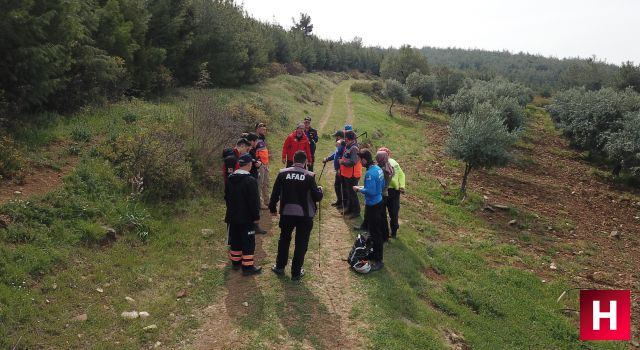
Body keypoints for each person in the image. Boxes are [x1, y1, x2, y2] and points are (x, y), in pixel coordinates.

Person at [269, 150, 323, 281]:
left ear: (293, 159)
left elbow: (275, 192)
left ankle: (280, 267)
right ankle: (296, 272)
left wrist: (272, 208)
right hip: (305, 215)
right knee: (301, 242)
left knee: (284, 239)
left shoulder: (282, 173)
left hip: (287, 213)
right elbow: (317, 197)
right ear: (305, 162)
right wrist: (320, 191)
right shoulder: (310, 176)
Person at [225, 153, 262, 275]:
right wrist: (256, 217)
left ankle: (235, 262)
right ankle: (247, 267)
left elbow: (226, 197)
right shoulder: (250, 180)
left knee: (235, 238)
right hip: (246, 217)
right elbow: (254, 201)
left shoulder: (230, 178)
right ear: (249, 164)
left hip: (232, 216)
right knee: (248, 241)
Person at [353, 149, 385, 271]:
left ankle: (379, 260)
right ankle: (373, 254)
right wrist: (363, 187)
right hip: (379, 202)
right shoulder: (378, 169)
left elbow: (370, 191)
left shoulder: (370, 173)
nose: (360, 163)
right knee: (373, 231)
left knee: (376, 233)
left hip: (373, 206)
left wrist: (358, 189)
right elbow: (379, 187)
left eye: (360, 160)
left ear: (364, 160)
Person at [378, 147, 405, 238]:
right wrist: (401, 186)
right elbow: (401, 174)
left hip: (385, 191)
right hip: (395, 191)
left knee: (382, 212)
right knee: (394, 212)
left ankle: (384, 232)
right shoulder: (395, 162)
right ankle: (394, 232)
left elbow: (389, 179)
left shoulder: (383, 164)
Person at [339, 130, 362, 219]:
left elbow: (353, 162)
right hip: (348, 174)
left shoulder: (354, 148)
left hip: (353, 175)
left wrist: (342, 162)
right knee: (349, 193)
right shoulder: (348, 145)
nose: (344, 139)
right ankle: (349, 209)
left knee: (353, 194)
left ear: (348, 138)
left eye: (345, 137)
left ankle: (356, 212)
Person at [322, 130, 345, 208]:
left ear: (339, 137)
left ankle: (342, 203)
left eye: (336, 136)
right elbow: (336, 154)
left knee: (341, 186)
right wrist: (328, 158)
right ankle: (339, 201)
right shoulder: (340, 145)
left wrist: (339, 168)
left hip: (341, 170)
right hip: (339, 170)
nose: (335, 138)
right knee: (337, 186)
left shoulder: (343, 145)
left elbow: (342, 158)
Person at [376, 150, 394, 241]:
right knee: (383, 215)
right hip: (385, 193)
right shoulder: (389, 167)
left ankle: (384, 236)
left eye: (377, 157)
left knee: (381, 216)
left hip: (381, 194)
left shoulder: (382, 170)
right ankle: (385, 235)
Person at [255, 122, 270, 209]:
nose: (264, 130)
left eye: (265, 129)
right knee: (259, 184)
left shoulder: (263, 139)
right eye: (261, 129)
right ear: (257, 129)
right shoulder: (255, 139)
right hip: (259, 165)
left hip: (265, 164)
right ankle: (259, 203)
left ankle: (267, 201)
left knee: (266, 183)